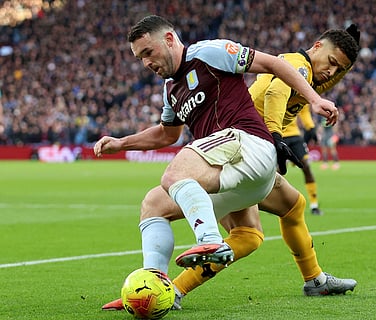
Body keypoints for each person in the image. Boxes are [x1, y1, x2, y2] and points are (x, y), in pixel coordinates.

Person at [101, 24, 360, 311]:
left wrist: (312, 101)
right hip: (233, 167)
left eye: (148, 52)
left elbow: (274, 64)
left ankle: (210, 240)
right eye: (140, 58)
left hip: (246, 142)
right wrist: (121, 143)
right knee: (155, 204)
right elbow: (166, 134)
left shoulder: (208, 52)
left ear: (170, 39)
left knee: (176, 174)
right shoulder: (170, 90)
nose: (146, 62)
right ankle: (154, 288)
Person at [283, 107, 323, 215]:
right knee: (277, 172)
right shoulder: (272, 91)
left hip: (294, 135)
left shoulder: (298, 91)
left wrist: (311, 127)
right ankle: (275, 202)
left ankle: (314, 205)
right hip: (277, 135)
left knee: (306, 166)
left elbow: (304, 111)